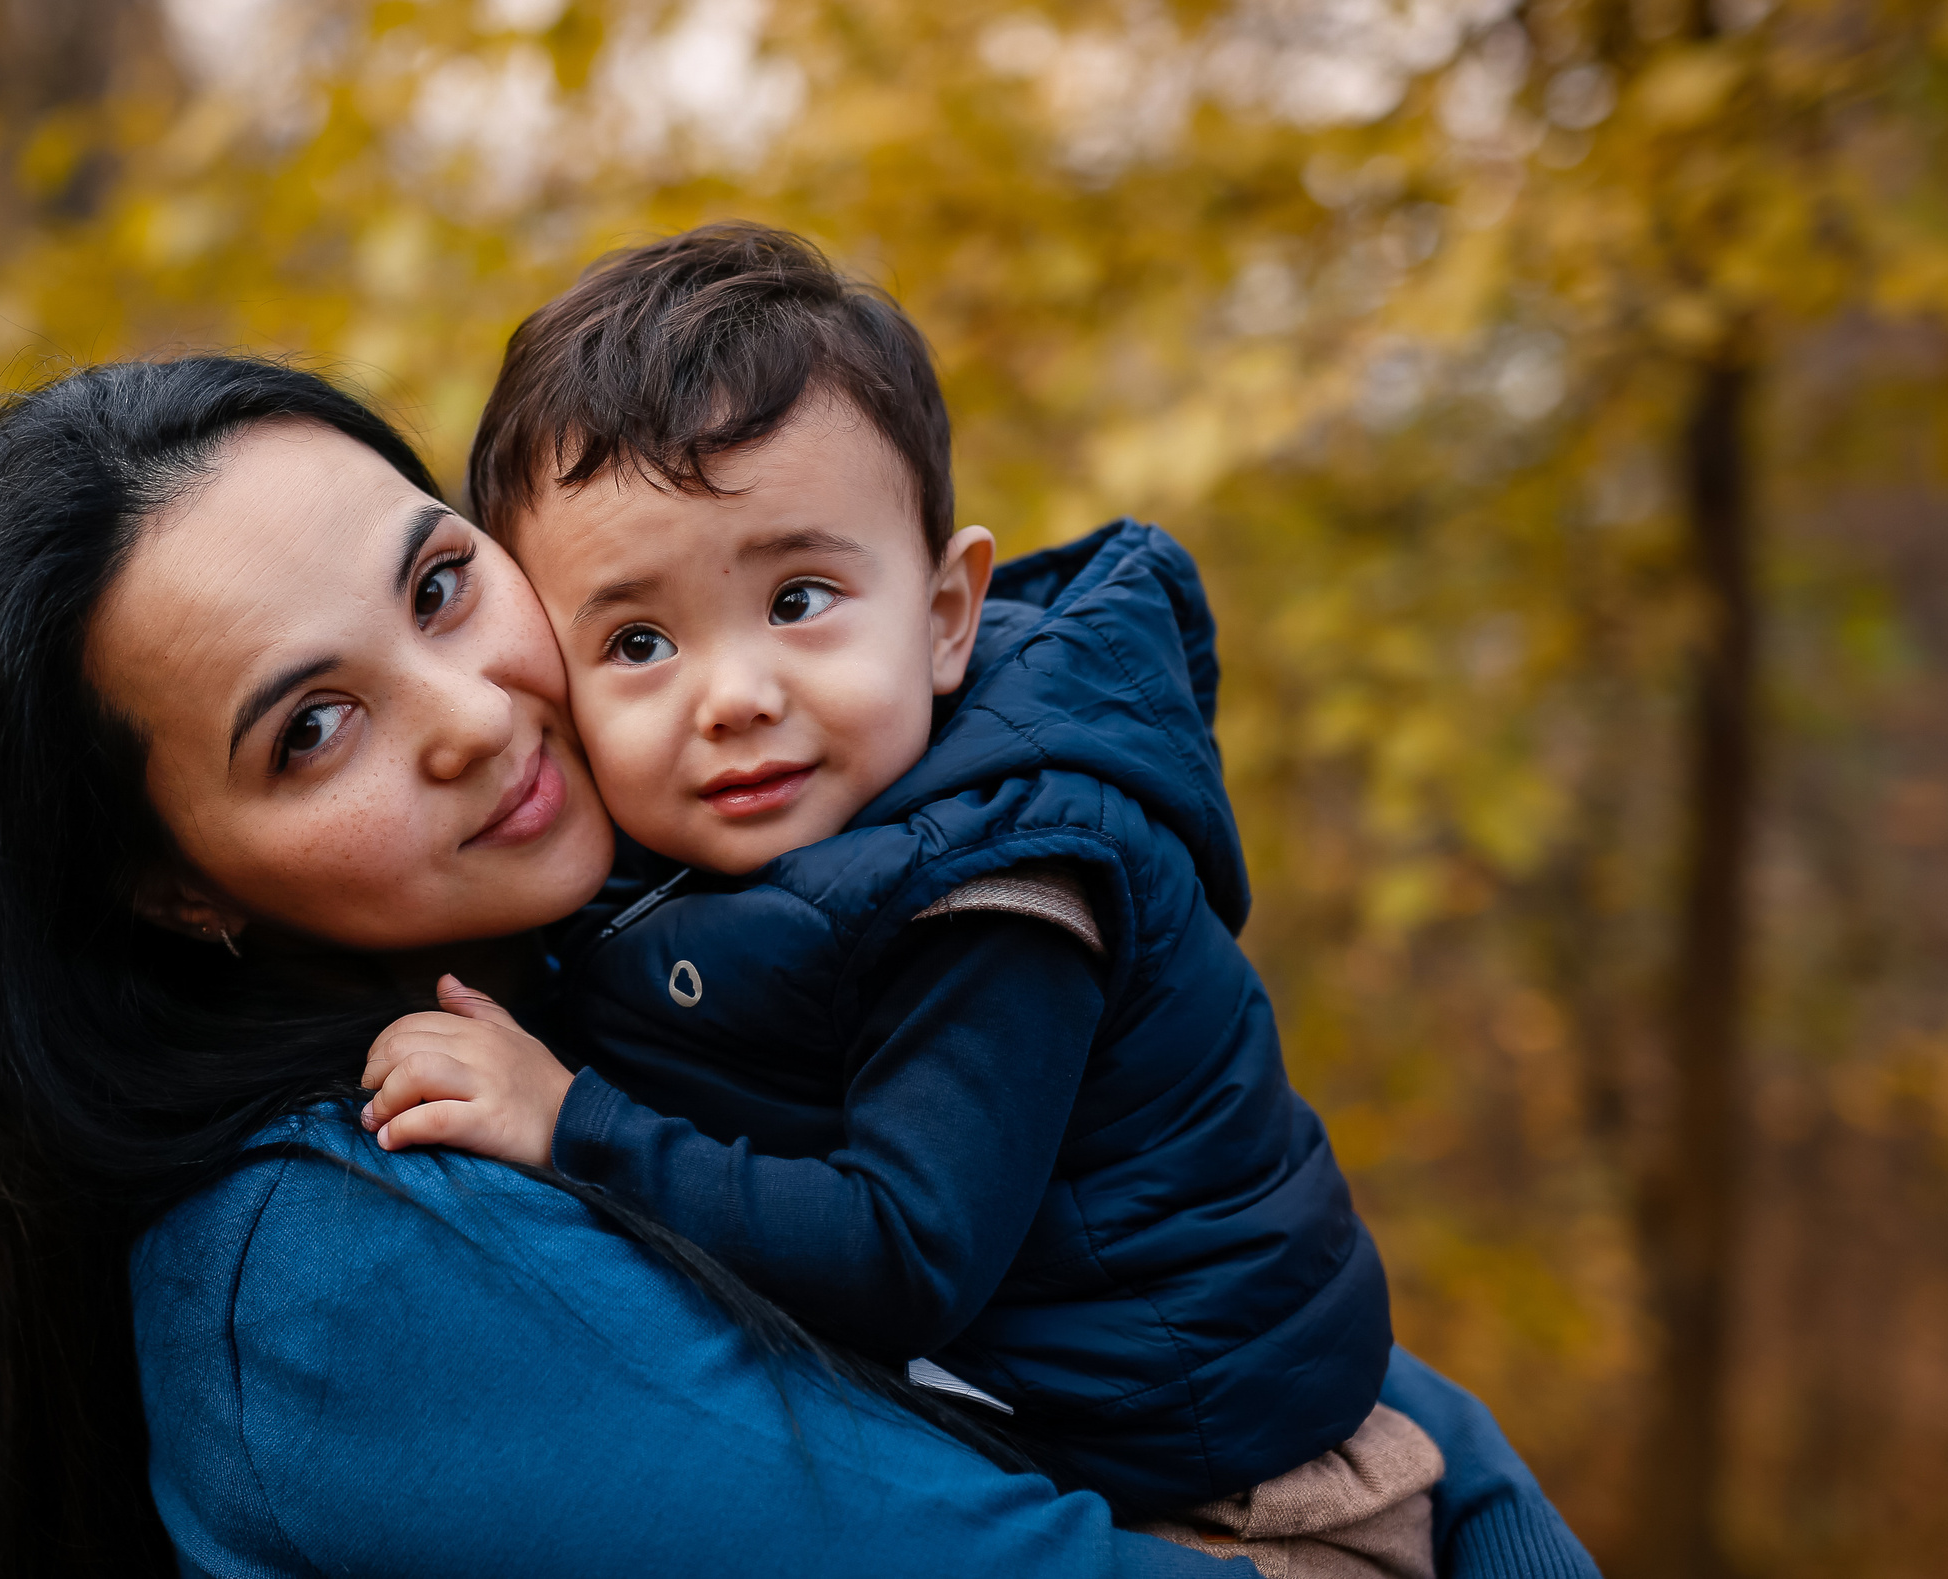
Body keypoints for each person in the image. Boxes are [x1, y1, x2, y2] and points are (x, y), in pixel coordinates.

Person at [0, 351, 1600, 1578]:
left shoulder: (666, 959)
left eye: (439, 588)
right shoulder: (334, 1275)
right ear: (171, 891)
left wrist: (1467, 1474)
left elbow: (1229, 1326)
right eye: (311, 730)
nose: (469, 715)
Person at [357, 225, 1417, 1571]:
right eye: (638, 642)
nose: (735, 694)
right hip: (1043, 1434)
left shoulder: (1001, 890)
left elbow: (902, 1248)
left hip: (1247, 1500)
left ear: (945, 613)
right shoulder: (704, 856)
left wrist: (569, 1121)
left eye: (799, 597)